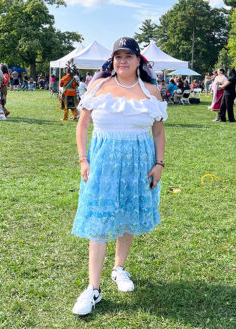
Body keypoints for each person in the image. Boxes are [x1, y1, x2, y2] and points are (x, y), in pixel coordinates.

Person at [71, 37, 167, 316]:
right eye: (118, 56)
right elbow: (82, 125)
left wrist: (159, 163)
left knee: (127, 214)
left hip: (139, 163)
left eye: (128, 56)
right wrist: (83, 159)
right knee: (100, 220)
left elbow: (158, 131)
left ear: (139, 60)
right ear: (112, 60)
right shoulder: (98, 86)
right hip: (102, 163)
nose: (122, 61)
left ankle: (119, 268)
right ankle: (93, 288)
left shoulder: (151, 92)